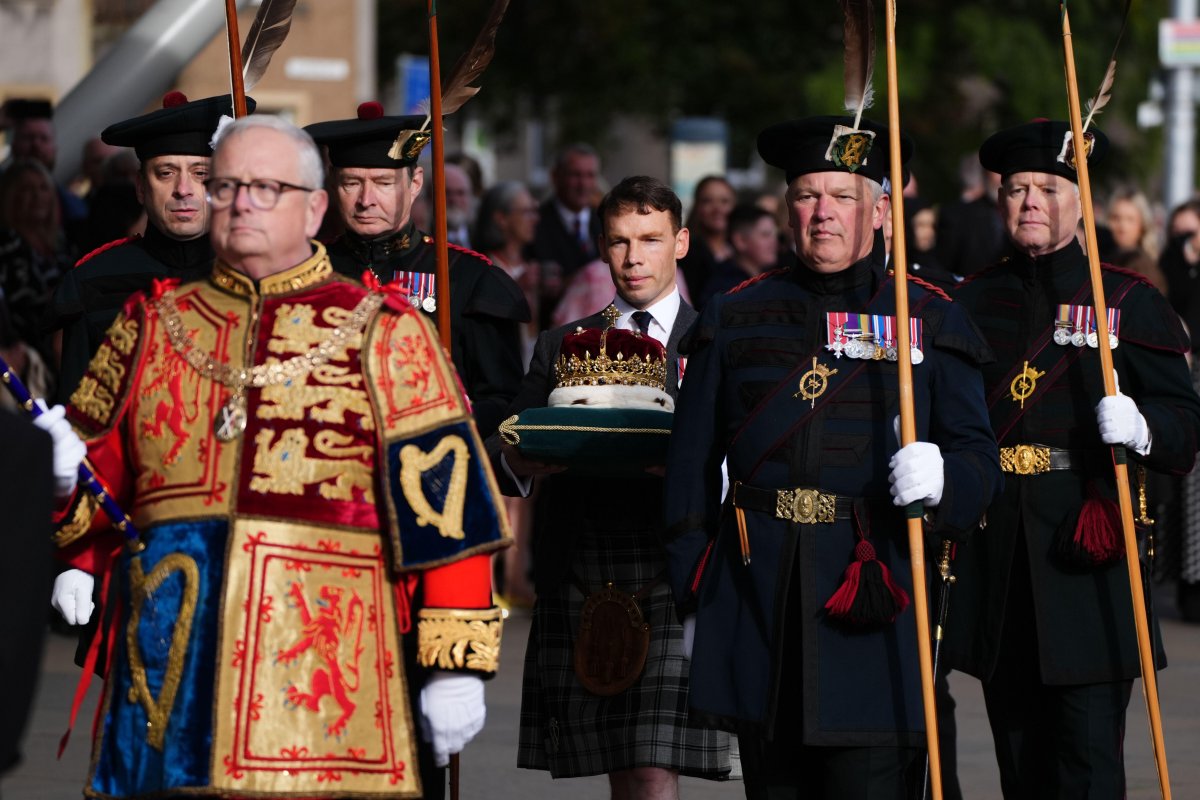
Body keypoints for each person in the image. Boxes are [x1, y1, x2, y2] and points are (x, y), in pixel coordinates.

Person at [42, 114, 511, 799]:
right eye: (228, 186)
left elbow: (447, 502)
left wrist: (454, 661)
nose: (239, 204)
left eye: (265, 187)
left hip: (327, 674)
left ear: (313, 207)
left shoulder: (388, 332)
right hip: (175, 673)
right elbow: (98, 476)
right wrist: (63, 491)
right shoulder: (148, 324)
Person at [662, 116, 1001, 800]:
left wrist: (945, 479)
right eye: (808, 196)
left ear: (879, 210)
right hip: (759, 608)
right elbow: (689, 474)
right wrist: (695, 597)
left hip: (874, 607)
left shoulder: (931, 317)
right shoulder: (736, 314)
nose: (822, 214)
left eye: (841, 197)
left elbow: (978, 460)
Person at [946, 120, 1200, 799]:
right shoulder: (970, 300)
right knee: (1020, 766)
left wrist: (1144, 426)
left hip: (1090, 562)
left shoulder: (1128, 300)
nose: (1031, 202)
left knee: (1087, 769)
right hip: (999, 559)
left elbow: (1185, 426)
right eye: (1017, 189)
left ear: (1080, 200)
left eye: (1049, 189)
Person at [501, 176, 731, 796]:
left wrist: (697, 469)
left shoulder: (717, 340)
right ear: (602, 247)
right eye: (620, 241)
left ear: (680, 242)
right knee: (622, 768)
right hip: (582, 556)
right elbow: (514, 443)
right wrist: (526, 455)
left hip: (673, 561)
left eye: (650, 239)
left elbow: (742, 449)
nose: (634, 258)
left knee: (653, 769)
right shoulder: (561, 345)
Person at [306, 102, 530, 438]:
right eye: (352, 183)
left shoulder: (470, 278)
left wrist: (441, 415)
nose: (366, 199)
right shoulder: (307, 270)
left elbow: (506, 403)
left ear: (415, 183)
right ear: (333, 184)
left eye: (383, 183)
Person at [49, 92, 248, 404]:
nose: (183, 190)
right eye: (166, 173)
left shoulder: (255, 273)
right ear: (141, 188)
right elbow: (77, 411)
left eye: (201, 174)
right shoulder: (93, 280)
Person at [697, 202, 778, 307]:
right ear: (741, 241)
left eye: (774, 234)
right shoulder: (724, 289)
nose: (774, 241)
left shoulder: (772, 279)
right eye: (765, 235)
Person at [677, 175, 736, 298]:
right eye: (708, 201)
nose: (717, 208)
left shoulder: (741, 250)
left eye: (724, 201)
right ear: (697, 207)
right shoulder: (685, 254)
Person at [1103, 187, 1167, 295]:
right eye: (1116, 218)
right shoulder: (1104, 257)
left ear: (1142, 225)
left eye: (1130, 219)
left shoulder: (1143, 267)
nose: (1122, 227)